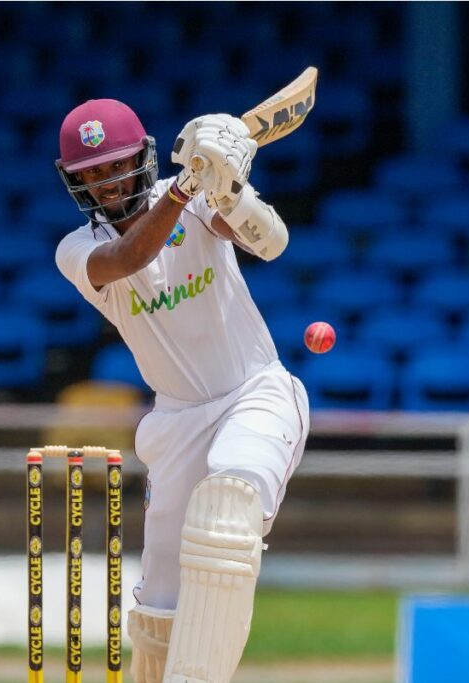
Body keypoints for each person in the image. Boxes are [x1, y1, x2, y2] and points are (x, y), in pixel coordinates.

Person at [54, 100, 310, 683]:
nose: (107, 182)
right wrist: (190, 183)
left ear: (143, 156)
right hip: (175, 425)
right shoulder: (75, 249)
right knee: (158, 610)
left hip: (254, 394)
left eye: (116, 165)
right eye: (91, 173)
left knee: (228, 512)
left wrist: (229, 188)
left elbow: (270, 243)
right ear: (73, 181)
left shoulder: (193, 194)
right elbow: (127, 256)